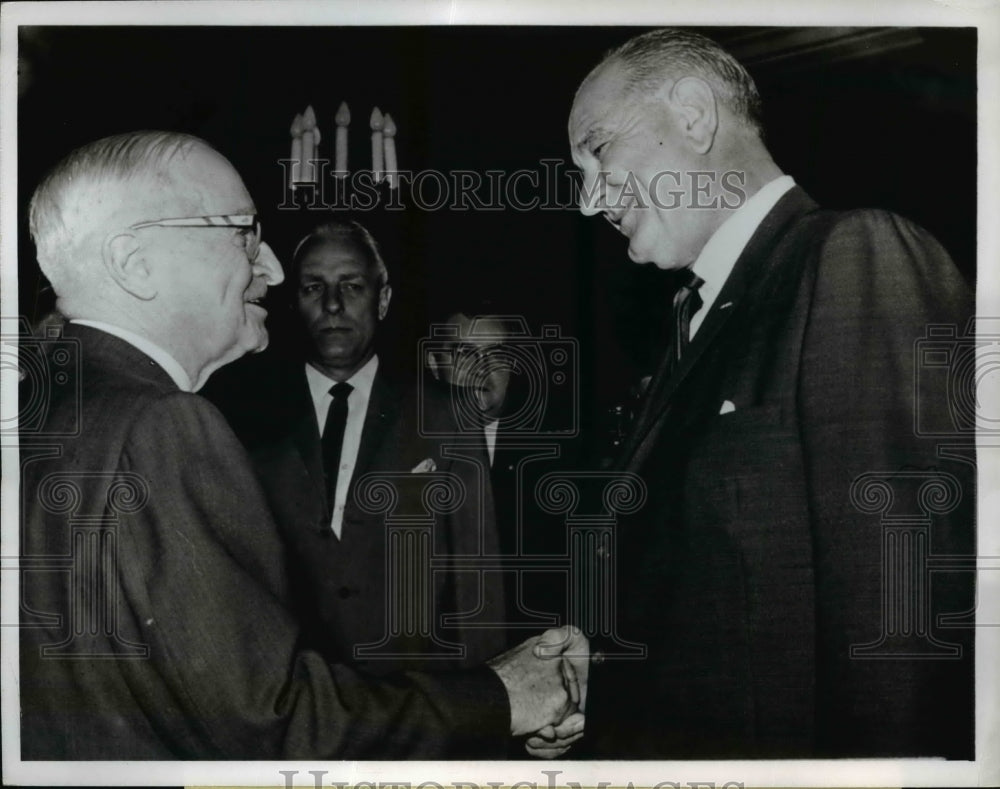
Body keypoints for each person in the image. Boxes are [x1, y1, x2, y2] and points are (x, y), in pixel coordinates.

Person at [18, 131, 587, 760]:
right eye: (242, 233)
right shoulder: (165, 424)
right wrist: (502, 698)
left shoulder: (45, 404)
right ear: (133, 261)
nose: (273, 269)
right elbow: (272, 721)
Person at [567, 29, 975, 758]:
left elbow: (898, 627)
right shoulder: (693, 322)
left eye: (597, 151)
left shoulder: (853, 257)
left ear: (692, 116)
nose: (588, 199)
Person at [242, 222, 509, 673]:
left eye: (352, 285)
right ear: (293, 301)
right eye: (313, 287)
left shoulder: (445, 419)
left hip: (420, 707)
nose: (332, 304)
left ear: (383, 299)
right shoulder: (246, 420)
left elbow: (476, 595)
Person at [425, 304, 578, 644]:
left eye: (496, 355)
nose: (482, 369)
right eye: (465, 354)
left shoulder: (554, 465)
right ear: (435, 365)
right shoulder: (400, 453)